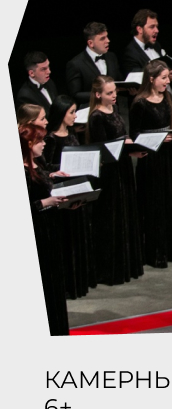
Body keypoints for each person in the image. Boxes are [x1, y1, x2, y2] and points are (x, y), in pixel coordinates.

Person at [87, 76, 145, 285]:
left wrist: (130, 144)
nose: (114, 96)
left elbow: (122, 135)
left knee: (125, 210)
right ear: (98, 95)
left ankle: (128, 263)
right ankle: (112, 269)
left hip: (123, 167)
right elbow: (104, 149)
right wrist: (128, 149)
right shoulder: (96, 117)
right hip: (110, 173)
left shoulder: (114, 109)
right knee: (112, 214)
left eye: (115, 92)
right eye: (109, 93)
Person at [129, 60, 172, 266]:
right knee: (153, 201)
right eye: (163, 78)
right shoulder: (140, 103)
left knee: (168, 197)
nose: (167, 81)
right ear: (151, 79)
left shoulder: (167, 97)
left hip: (166, 156)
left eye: (167, 77)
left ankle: (171, 248)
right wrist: (160, 137)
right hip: (150, 157)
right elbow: (135, 135)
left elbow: (170, 125)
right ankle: (155, 252)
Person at [43, 95, 97, 299]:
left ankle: (81, 279)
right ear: (61, 114)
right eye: (72, 112)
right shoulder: (51, 139)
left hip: (78, 187)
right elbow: (46, 167)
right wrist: (67, 166)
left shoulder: (71, 132)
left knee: (80, 233)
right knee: (68, 237)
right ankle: (69, 283)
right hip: (63, 191)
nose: (75, 116)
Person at [20, 124, 70, 335]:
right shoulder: (22, 171)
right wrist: (46, 202)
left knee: (54, 279)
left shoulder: (37, 163)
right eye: (40, 141)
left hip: (51, 229)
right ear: (29, 144)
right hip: (39, 234)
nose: (44, 144)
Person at [122, 9, 172, 109]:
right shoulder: (130, 52)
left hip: (167, 102)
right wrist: (165, 76)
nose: (157, 30)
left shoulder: (156, 45)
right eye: (152, 27)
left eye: (157, 26)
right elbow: (138, 81)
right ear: (139, 29)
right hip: (147, 108)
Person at [65, 22, 123, 105]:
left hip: (113, 108)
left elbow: (119, 81)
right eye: (102, 38)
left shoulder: (111, 57)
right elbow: (75, 95)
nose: (108, 41)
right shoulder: (75, 64)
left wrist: (128, 89)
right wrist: (100, 95)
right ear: (90, 43)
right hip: (91, 109)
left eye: (107, 36)